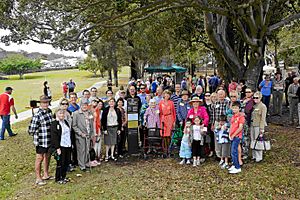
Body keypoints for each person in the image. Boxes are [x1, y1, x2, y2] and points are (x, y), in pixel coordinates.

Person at [28, 95, 53, 185]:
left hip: (49, 140)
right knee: (40, 158)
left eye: (47, 102)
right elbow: (31, 131)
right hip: (41, 141)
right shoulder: (37, 115)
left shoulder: (49, 112)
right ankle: (38, 178)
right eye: (43, 103)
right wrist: (38, 134)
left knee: (47, 156)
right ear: (40, 104)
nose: (45, 104)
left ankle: (46, 174)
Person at [72, 99, 95, 171]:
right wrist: (80, 133)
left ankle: (86, 162)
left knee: (87, 149)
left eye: (86, 105)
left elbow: (91, 124)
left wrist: (92, 133)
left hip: (88, 134)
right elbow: (74, 126)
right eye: (83, 105)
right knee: (81, 150)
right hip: (80, 135)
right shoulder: (76, 113)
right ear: (80, 105)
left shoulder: (89, 112)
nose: (84, 106)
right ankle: (82, 165)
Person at [51, 109, 72, 184]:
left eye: (63, 114)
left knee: (66, 161)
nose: (62, 115)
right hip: (61, 145)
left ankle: (63, 176)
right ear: (56, 114)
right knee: (61, 162)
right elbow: (54, 137)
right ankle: (58, 178)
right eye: (60, 113)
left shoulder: (65, 122)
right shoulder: (54, 124)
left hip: (67, 144)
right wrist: (57, 148)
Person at [212, 89, 230, 159]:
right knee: (217, 139)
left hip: (225, 122)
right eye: (219, 94)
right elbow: (213, 114)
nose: (220, 96)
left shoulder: (228, 103)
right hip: (217, 122)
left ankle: (225, 155)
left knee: (225, 139)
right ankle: (218, 154)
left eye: (222, 94)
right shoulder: (215, 103)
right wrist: (213, 124)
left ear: (225, 95)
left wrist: (227, 124)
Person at [228, 101, 245, 174]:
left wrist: (234, 134)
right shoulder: (233, 116)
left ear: (239, 108)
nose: (234, 109)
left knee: (234, 152)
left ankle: (237, 167)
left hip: (237, 136)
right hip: (232, 136)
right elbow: (231, 126)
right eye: (233, 108)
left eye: (236, 108)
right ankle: (234, 165)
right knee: (232, 151)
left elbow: (240, 127)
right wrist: (230, 134)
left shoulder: (241, 117)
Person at [250, 91, 267, 163]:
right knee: (253, 140)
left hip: (258, 126)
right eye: (254, 97)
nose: (255, 99)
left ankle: (259, 157)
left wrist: (261, 128)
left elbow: (263, 118)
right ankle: (254, 155)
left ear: (260, 98)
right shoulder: (253, 106)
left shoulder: (263, 106)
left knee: (258, 141)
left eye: (257, 98)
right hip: (252, 125)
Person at [159, 90, 176, 154]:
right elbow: (160, 112)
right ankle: (164, 149)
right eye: (165, 94)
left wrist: (174, 121)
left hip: (169, 118)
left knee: (169, 134)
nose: (167, 96)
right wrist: (160, 120)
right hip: (163, 118)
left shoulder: (171, 102)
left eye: (168, 95)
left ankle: (169, 148)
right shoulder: (161, 102)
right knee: (163, 134)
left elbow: (173, 112)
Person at [67, 92, 80, 168]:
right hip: (71, 129)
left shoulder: (78, 106)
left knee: (76, 145)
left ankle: (76, 160)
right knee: (71, 146)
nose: (73, 99)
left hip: (78, 128)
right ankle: (71, 161)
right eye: (71, 97)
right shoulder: (68, 107)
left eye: (74, 97)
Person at [90, 98, 102, 164]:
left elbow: (98, 121)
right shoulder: (90, 111)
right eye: (94, 101)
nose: (95, 103)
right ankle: (92, 158)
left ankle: (97, 157)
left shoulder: (98, 111)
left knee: (98, 144)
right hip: (92, 130)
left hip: (98, 129)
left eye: (97, 102)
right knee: (93, 145)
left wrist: (99, 130)